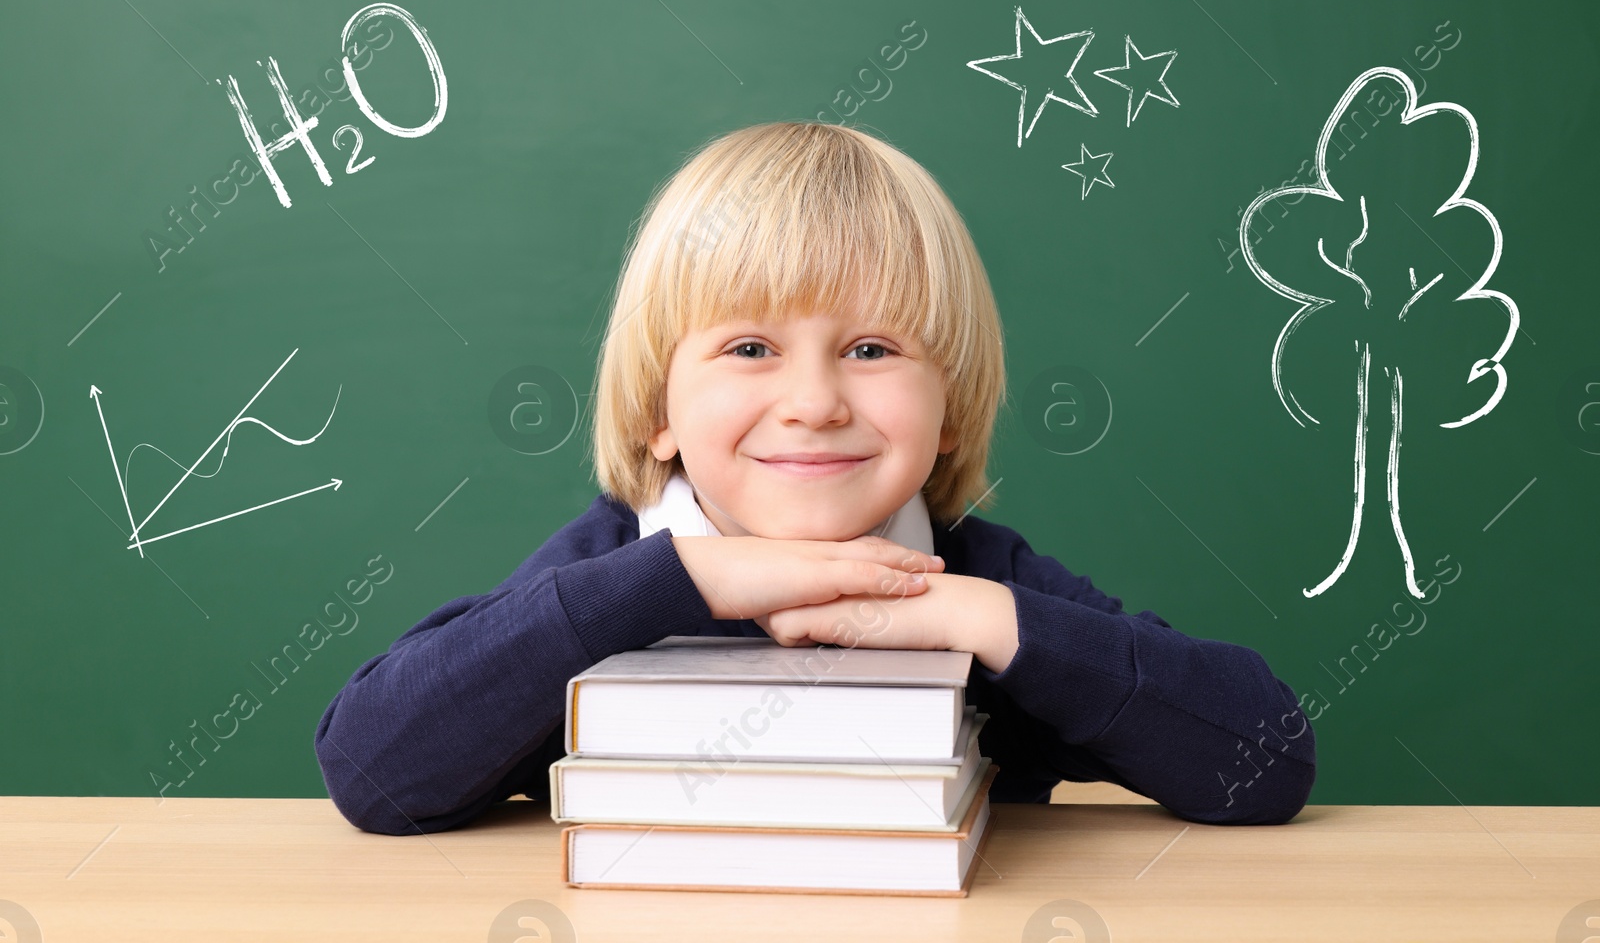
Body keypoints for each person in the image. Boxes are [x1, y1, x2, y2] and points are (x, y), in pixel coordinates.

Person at [316, 122, 1314, 832]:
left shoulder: (975, 578)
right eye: (749, 347)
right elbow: (371, 767)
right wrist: (688, 580)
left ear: (948, 410)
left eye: (872, 349)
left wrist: (977, 620)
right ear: (660, 413)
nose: (814, 401)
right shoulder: (608, 564)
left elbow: (1268, 760)